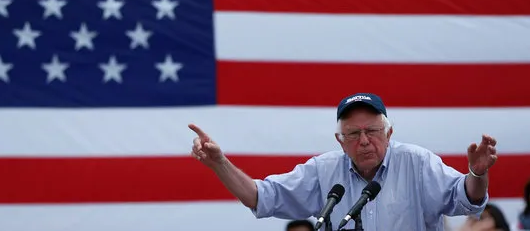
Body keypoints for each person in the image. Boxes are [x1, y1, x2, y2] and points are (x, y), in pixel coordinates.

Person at [189, 92, 498, 231]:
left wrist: (477, 172)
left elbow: (466, 199)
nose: (364, 141)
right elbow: (260, 197)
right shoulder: (324, 171)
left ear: (389, 133)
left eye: (372, 131)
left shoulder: (416, 163)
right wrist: (219, 163)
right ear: (340, 140)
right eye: (353, 134)